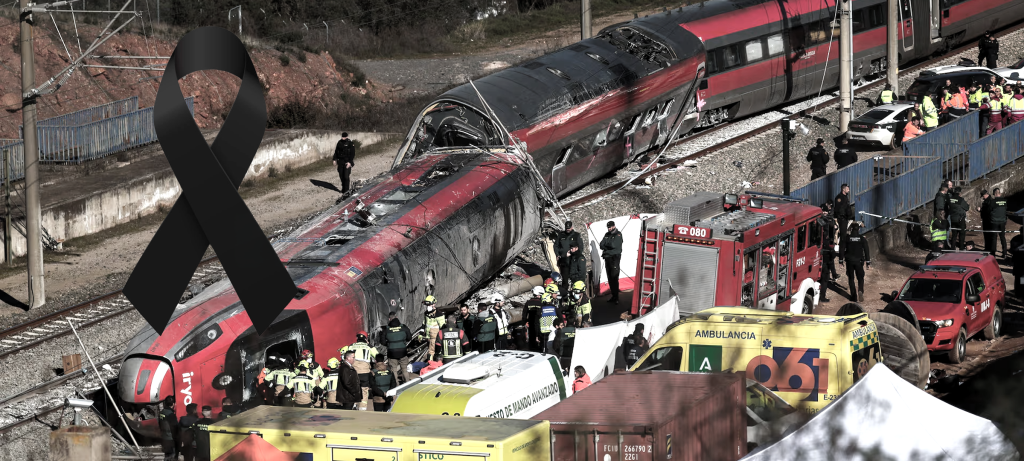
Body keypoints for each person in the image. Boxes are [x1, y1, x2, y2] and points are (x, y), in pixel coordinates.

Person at [339, 332, 378, 411]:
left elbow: (342, 354)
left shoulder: (351, 346)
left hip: (353, 372)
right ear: (366, 338)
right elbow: (377, 356)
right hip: (364, 373)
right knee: (364, 390)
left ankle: (353, 404)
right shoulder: (369, 346)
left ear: (357, 338)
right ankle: (362, 408)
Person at [839, 222, 871, 302]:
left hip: (849, 261)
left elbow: (842, 249)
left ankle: (853, 296)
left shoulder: (847, 238)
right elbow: (866, 250)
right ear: (859, 229)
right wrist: (868, 262)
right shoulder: (862, 238)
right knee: (860, 277)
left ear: (851, 229)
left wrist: (840, 261)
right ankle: (860, 290)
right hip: (859, 261)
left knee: (851, 278)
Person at [555, 221, 585, 293]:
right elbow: (556, 246)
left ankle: (576, 294)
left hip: (573, 261)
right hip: (564, 260)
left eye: (569, 228)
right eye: (566, 228)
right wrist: (558, 254)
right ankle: (564, 296)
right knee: (565, 280)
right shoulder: (561, 235)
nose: (568, 229)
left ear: (572, 227)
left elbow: (580, 248)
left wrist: (576, 256)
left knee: (574, 278)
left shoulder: (576, 235)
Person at [819, 200, 839, 303]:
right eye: (824, 212)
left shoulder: (818, 221)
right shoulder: (827, 222)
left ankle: (834, 274)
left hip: (822, 250)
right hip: (825, 251)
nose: (825, 214)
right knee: (825, 277)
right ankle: (822, 296)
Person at [384, 313, 413, 383]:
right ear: (396, 317)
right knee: (404, 370)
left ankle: (396, 386)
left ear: (389, 319)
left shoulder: (386, 329)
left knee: (393, 370)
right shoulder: (403, 327)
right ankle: (407, 384)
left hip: (392, 353)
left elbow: (382, 341)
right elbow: (409, 338)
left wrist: (389, 344)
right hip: (402, 352)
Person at [599, 220, 624, 303]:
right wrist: (607, 245)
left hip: (614, 258)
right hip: (607, 258)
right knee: (609, 277)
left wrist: (606, 245)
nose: (609, 229)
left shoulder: (618, 234)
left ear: (614, 226)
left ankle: (616, 297)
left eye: (610, 227)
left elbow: (614, 245)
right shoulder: (607, 234)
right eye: (608, 227)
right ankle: (613, 296)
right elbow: (601, 244)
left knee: (614, 277)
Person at [159, 396, 179, 461]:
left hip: (164, 438)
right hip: (171, 440)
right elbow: (175, 429)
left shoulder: (161, 413)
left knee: (166, 456)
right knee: (171, 457)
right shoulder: (171, 415)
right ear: (173, 404)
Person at [525, 286, 546, 352]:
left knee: (532, 341)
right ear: (539, 295)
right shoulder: (541, 303)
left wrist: (525, 322)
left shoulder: (528, 302)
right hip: (540, 325)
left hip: (531, 325)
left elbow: (524, 315)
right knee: (540, 342)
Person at [991, 188, 1008, 258]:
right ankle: (1005, 253)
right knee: (1002, 237)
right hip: (1002, 222)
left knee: (994, 238)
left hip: (994, 221)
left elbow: (989, 210)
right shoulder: (1005, 201)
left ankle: (993, 253)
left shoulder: (993, 201)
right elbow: (1006, 210)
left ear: (995, 194)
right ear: (1000, 194)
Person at [979, 190, 996, 255]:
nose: (983, 197)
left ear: (986, 194)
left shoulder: (990, 201)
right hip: (986, 220)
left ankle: (990, 249)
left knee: (990, 236)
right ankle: (987, 248)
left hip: (988, 220)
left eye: (983, 196)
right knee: (986, 235)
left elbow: (988, 211)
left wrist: (981, 210)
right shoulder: (987, 201)